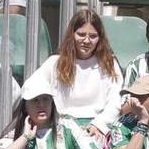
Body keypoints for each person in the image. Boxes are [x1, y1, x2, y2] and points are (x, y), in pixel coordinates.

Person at [23, 9, 126, 140]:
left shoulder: (109, 63)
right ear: (72, 34)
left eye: (93, 36)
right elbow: (31, 87)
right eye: (81, 34)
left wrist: (100, 125)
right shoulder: (55, 62)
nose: (87, 41)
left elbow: (115, 101)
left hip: (96, 129)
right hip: (61, 127)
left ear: (100, 37)